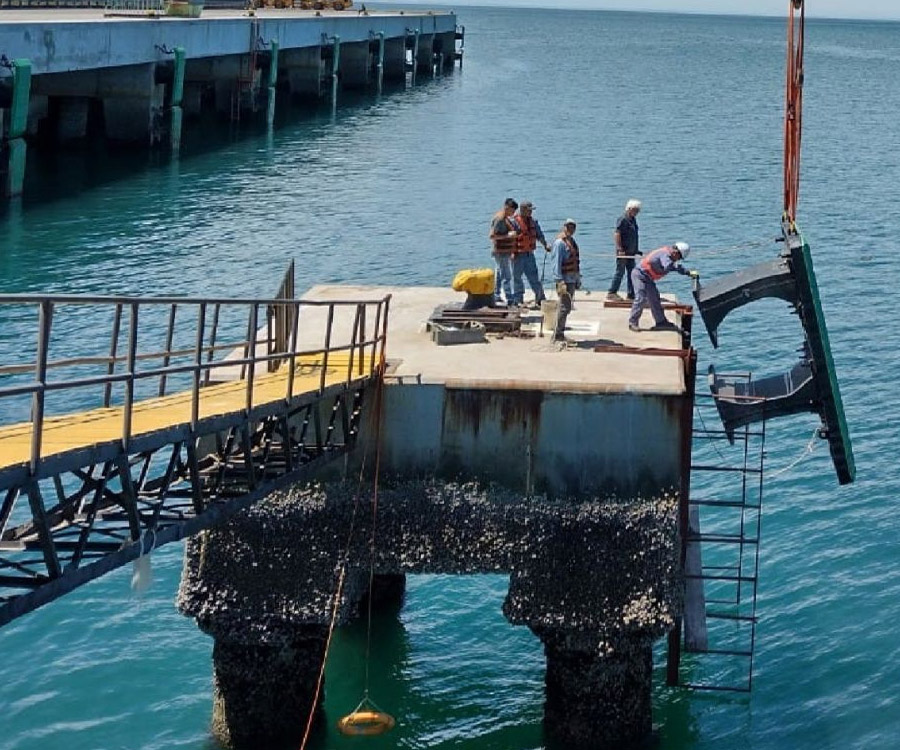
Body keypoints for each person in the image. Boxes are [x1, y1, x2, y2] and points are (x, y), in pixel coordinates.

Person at [628, 241, 699, 332]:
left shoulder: (670, 258)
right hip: (639, 275)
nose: (678, 259)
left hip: (648, 277)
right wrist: (675, 266)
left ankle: (661, 322)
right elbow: (667, 266)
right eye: (679, 257)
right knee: (641, 298)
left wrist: (688, 272)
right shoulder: (665, 255)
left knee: (654, 298)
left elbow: (674, 267)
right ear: (676, 252)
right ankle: (633, 322)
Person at [510, 201, 550, 307]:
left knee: (534, 278)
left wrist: (545, 245)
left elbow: (539, 235)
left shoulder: (533, 222)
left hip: (529, 254)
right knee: (517, 278)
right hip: (517, 255)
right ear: (523, 210)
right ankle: (518, 300)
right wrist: (512, 252)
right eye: (529, 210)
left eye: (531, 210)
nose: (531, 212)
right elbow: (510, 239)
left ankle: (540, 298)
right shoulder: (514, 222)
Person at [551, 219, 581, 341]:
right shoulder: (560, 243)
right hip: (564, 280)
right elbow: (556, 263)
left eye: (573, 227)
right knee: (564, 307)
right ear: (564, 227)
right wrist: (559, 281)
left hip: (572, 278)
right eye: (568, 227)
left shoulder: (572, 242)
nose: (570, 229)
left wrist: (578, 278)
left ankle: (560, 332)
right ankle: (557, 334)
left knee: (567, 307)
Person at [607, 199, 642, 301]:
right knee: (620, 272)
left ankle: (631, 294)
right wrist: (619, 249)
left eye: (638, 210)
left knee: (633, 273)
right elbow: (617, 234)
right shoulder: (623, 219)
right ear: (629, 209)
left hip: (631, 253)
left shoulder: (633, 220)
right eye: (635, 210)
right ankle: (612, 292)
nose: (637, 212)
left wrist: (636, 250)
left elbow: (633, 236)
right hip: (623, 252)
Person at [489, 198, 519, 306]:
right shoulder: (499, 218)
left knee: (499, 274)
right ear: (507, 207)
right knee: (507, 276)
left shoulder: (505, 218)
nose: (514, 213)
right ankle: (509, 298)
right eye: (513, 210)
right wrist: (507, 235)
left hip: (504, 252)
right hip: (500, 252)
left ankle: (496, 295)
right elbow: (492, 236)